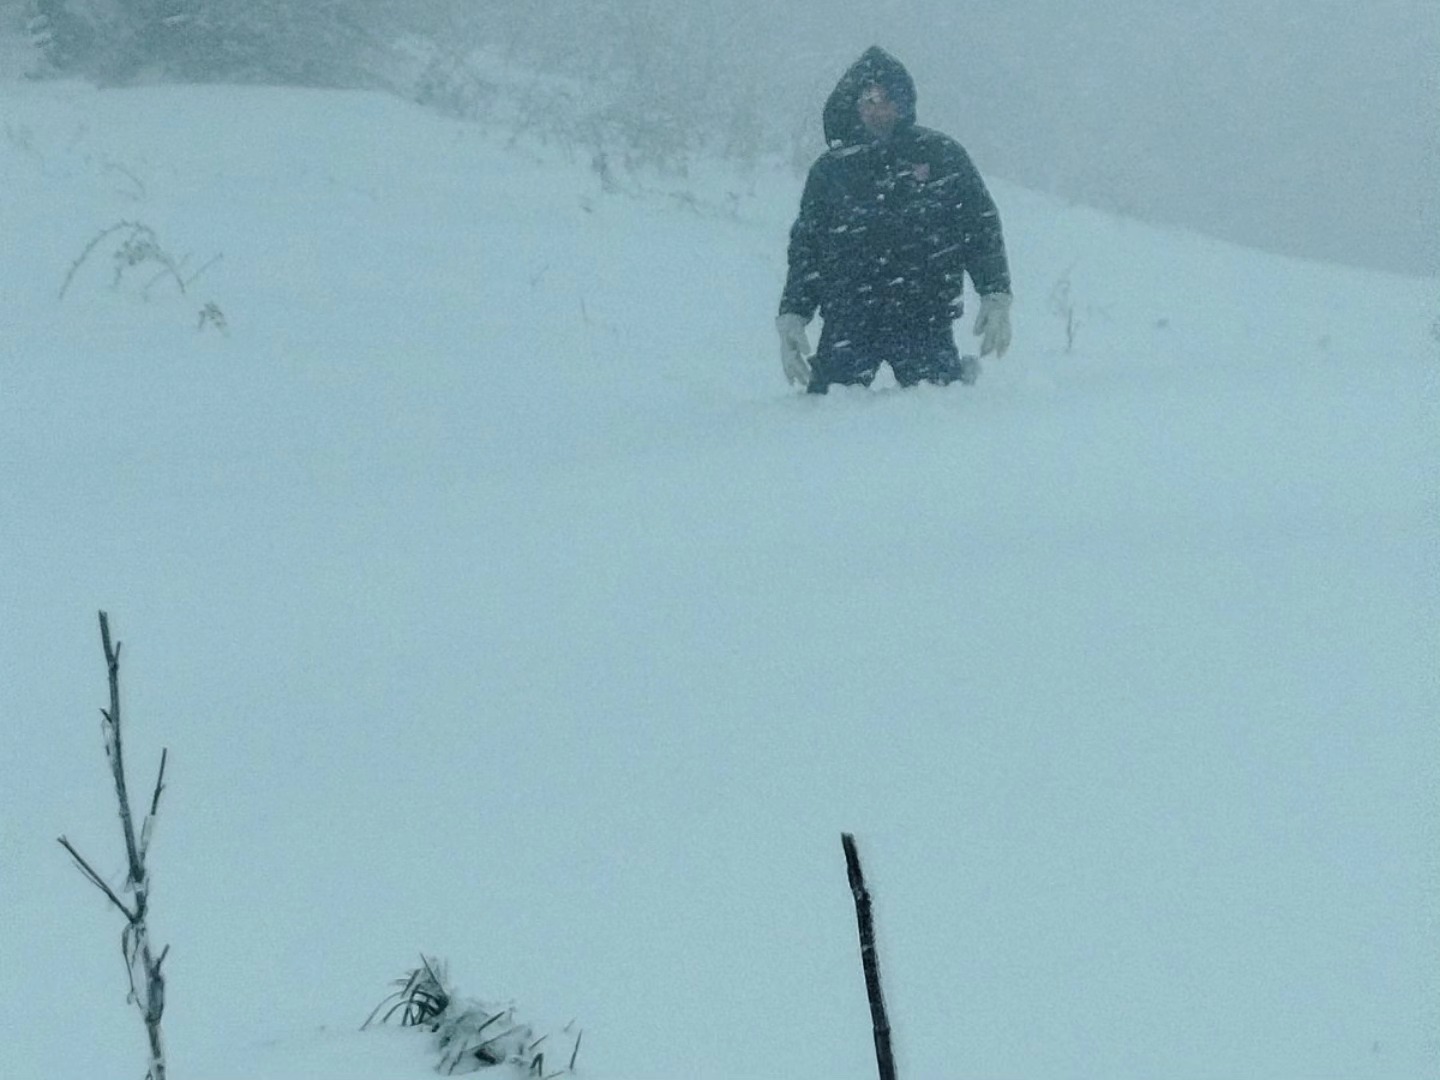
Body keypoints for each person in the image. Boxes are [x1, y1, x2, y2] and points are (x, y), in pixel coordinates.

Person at [777, 47, 1013, 392]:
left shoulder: (941, 156)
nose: (877, 109)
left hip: (923, 317)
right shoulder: (831, 170)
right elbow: (808, 247)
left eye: (887, 98)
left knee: (939, 411)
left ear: (903, 102)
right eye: (869, 98)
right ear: (854, 102)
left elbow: (978, 226)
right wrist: (793, 316)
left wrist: (995, 293)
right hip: (849, 320)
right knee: (827, 413)